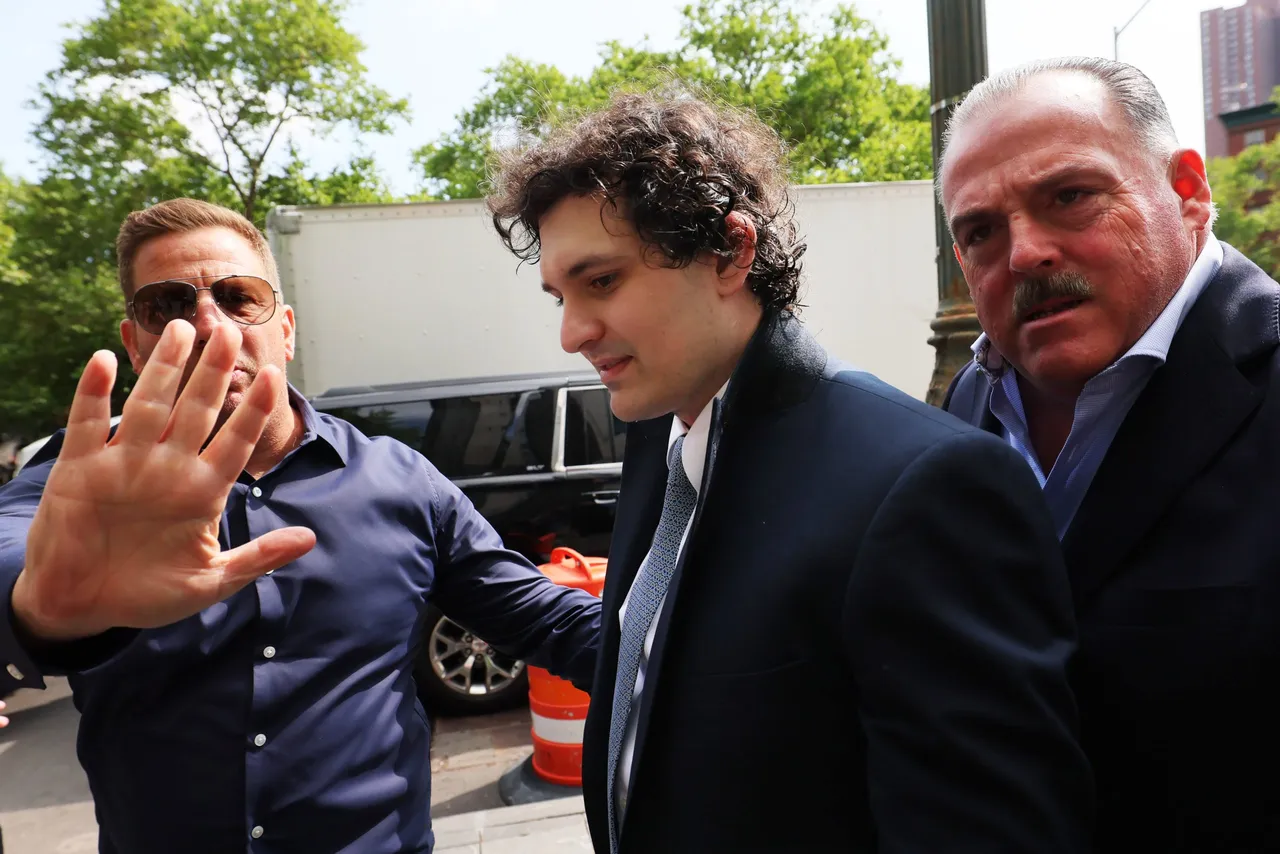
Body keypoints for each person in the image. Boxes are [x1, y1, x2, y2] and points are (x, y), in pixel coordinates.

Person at [486, 91, 1094, 853]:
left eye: (602, 281)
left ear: (730, 252)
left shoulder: (923, 485)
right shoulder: (657, 435)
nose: (572, 332)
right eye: (560, 296)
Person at [0, 198, 602, 854]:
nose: (209, 325)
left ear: (284, 329)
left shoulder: (401, 480)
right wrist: (37, 609)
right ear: (135, 345)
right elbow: (10, 551)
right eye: (167, 306)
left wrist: (681, 655)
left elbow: (549, 622)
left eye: (239, 297)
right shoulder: (87, 480)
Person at [938, 56, 1280, 852]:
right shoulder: (967, 404)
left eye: (1069, 196)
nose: (1024, 253)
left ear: (1187, 191)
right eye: (981, 231)